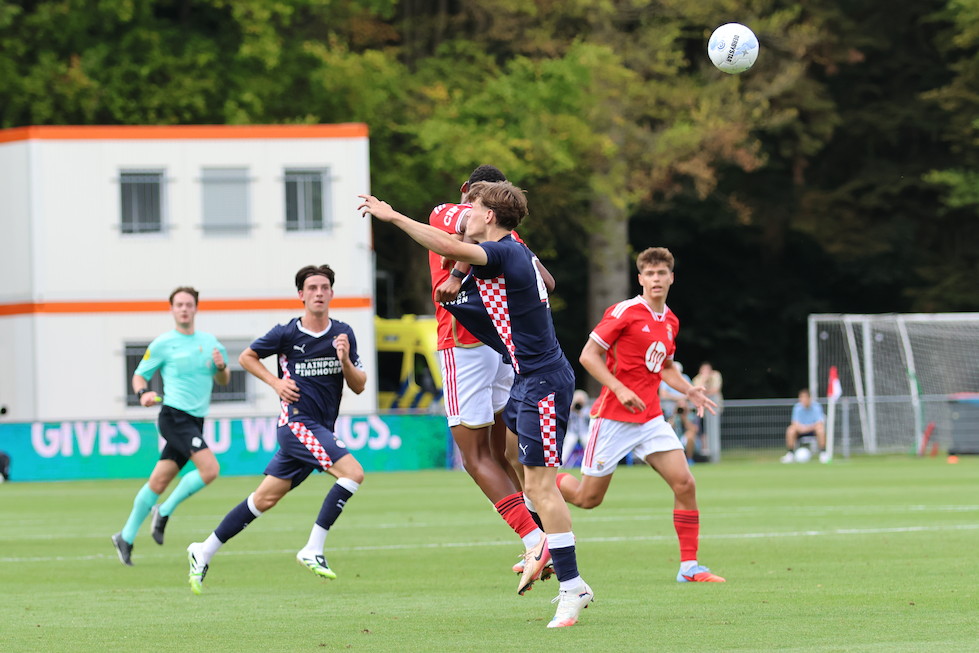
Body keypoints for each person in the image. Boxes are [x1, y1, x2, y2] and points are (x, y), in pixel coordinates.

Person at [359, 182, 594, 629]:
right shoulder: (508, 254)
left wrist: (392, 217)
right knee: (525, 475)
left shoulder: (505, 253)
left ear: (488, 217)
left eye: (474, 208)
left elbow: (449, 244)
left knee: (541, 488)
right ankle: (558, 566)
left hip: (544, 382)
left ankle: (572, 586)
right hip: (528, 378)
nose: (466, 212)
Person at [185, 265, 366, 595]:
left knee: (264, 499)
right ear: (301, 295)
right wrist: (275, 383)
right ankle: (313, 548)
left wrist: (344, 361)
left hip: (319, 428)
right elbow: (247, 356)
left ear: (332, 293)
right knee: (352, 473)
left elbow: (359, 386)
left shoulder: (343, 333)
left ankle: (204, 549)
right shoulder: (287, 334)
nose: (319, 293)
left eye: (324, 287)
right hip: (297, 425)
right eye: (312, 287)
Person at [558, 247, 726, 584]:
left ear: (671, 277)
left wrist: (688, 389)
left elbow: (663, 366)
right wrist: (618, 388)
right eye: (649, 274)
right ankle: (539, 483)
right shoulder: (625, 312)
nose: (656, 279)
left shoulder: (671, 321)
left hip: (650, 420)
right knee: (587, 499)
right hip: (613, 418)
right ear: (640, 279)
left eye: (662, 273)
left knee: (685, 483)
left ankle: (689, 567)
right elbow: (589, 356)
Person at [427, 165, 551, 579]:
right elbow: (546, 281)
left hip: (463, 342)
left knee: (474, 457)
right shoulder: (510, 237)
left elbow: (458, 233)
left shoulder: (454, 211)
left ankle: (536, 541)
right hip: (502, 348)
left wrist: (459, 273)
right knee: (502, 455)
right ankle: (540, 534)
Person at [111, 287, 230, 566]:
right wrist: (143, 394)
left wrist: (223, 367)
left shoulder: (211, 343)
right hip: (173, 416)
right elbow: (140, 376)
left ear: (196, 308)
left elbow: (223, 380)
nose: (184, 309)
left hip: (195, 420)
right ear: (172, 309)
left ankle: (125, 537)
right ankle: (163, 511)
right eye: (179, 305)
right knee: (210, 469)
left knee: (159, 480)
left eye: (189, 304)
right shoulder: (164, 343)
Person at [781, 388, 828, 464]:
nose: (803, 399)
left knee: (820, 429)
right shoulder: (797, 407)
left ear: (809, 398)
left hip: (813, 430)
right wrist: (802, 428)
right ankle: (790, 454)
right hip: (800, 430)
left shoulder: (817, 407)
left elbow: (819, 422)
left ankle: (823, 453)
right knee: (791, 430)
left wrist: (807, 428)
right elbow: (794, 422)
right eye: (801, 397)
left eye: (805, 397)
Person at [562, 390, 591, 468]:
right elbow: (566, 419)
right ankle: (560, 465)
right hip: (572, 432)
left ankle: (590, 465)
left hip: (584, 432)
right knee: (566, 448)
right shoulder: (571, 409)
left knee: (589, 448)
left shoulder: (587, 409)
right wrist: (571, 409)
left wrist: (581, 413)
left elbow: (589, 419)